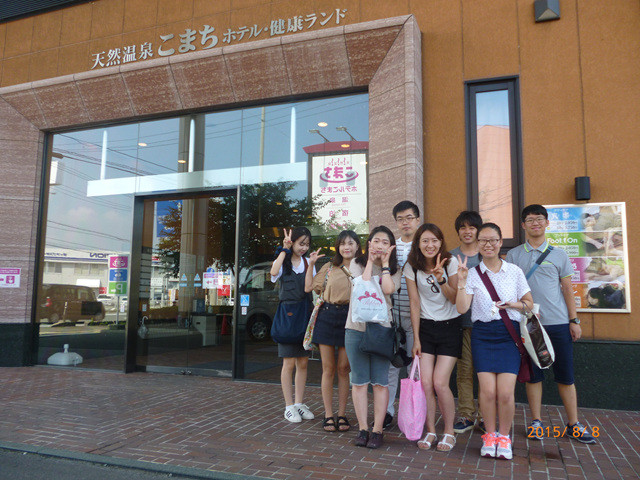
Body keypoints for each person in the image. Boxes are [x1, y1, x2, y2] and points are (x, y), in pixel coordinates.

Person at [506, 204, 597, 444]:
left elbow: (567, 289)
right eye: (530, 220)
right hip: (529, 324)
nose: (535, 223)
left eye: (539, 219)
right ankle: (536, 422)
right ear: (523, 225)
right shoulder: (514, 255)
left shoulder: (559, 254)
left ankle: (573, 424)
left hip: (558, 323)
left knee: (565, 375)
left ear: (547, 223)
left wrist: (573, 320)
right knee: (534, 376)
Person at [455, 223, 533, 460]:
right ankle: (490, 435)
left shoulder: (514, 271)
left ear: (500, 242)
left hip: (509, 335)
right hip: (482, 335)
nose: (488, 244)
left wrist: (512, 305)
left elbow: (529, 304)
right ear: (477, 243)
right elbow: (462, 308)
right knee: (488, 392)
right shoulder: (472, 274)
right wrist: (461, 282)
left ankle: (505, 437)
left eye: (492, 240)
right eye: (483, 240)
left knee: (506, 393)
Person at [406, 224, 461, 452]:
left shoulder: (451, 262)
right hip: (426, 328)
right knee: (426, 383)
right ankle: (430, 430)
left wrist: (441, 279)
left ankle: (449, 431)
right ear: (418, 244)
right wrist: (416, 339)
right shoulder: (412, 266)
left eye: (434, 240)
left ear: (441, 242)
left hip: (450, 327)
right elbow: (414, 303)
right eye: (425, 241)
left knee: (440, 382)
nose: (430, 245)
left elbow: (454, 298)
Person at [344, 226, 401, 449]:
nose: (380, 245)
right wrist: (370, 260)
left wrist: (385, 265)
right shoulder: (356, 264)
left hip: (382, 330)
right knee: (359, 382)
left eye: (385, 242)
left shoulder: (395, 269)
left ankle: (377, 430)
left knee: (380, 382)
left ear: (391, 247)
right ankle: (363, 428)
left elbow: (388, 289)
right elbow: (363, 284)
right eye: (376, 241)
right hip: (356, 328)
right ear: (369, 243)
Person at [305, 230, 362, 433]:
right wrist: (311, 264)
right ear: (338, 247)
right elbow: (309, 288)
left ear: (357, 246)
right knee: (328, 369)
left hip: (350, 318)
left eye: (351, 243)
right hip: (327, 316)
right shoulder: (329, 267)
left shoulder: (363, 267)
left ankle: (342, 413)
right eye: (343, 243)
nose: (347, 247)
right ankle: (328, 415)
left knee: (344, 369)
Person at [270, 227, 316, 423]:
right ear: (293, 242)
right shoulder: (284, 260)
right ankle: (288, 406)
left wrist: (311, 264)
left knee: (303, 362)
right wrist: (284, 249)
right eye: (300, 243)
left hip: (304, 314)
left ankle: (299, 403)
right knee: (288, 363)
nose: (303, 248)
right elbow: (273, 272)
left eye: (307, 244)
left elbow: (309, 287)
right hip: (287, 316)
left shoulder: (308, 262)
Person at [385, 200, 421, 428]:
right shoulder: (391, 247)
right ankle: (387, 411)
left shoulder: (425, 245)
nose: (405, 223)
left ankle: (413, 412)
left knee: (414, 368)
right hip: (393, 316)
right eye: (400, 219)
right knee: (390, 367)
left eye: (409, 218)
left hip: (418, 317)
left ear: (417, 219)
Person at [450, 211, 484, 435]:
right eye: (462, 227)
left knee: (486, 373)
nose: (467, 231)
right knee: (463, 372)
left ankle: (485, 415)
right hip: (460, 323)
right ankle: (466, 415)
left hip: (485, 323)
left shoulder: (487, 255)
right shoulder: (450, 257)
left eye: (472, 227)